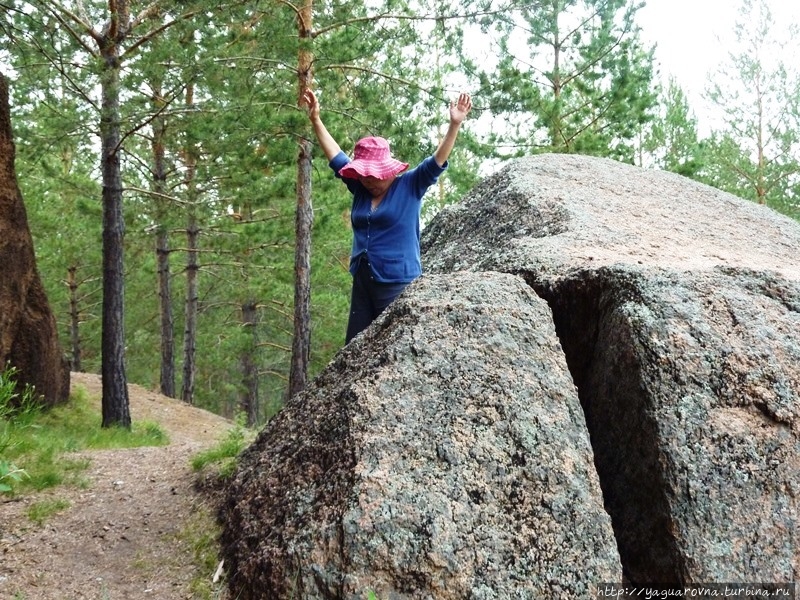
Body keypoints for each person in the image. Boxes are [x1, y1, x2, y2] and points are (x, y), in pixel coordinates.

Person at [303, 88, 472, 343]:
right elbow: (336, 157)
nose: (369, 180)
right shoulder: (359, 187)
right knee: (356, 348)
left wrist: (454, 125)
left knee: (394, 348)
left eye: (375, 175)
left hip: (398, 284)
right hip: (363, 280)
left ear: (389, 170)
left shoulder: (410, 185)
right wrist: (316, 120)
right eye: (364, 175)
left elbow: (437, 161)